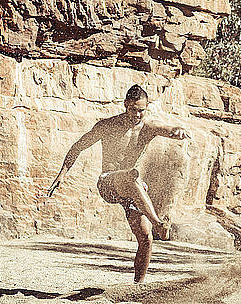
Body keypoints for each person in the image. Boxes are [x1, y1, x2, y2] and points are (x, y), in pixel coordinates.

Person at [46, 84, 190, 283]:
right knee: (131, 176)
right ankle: (158, 222)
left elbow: (168, 129)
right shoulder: (108, 125)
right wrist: (61, 174)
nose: (137, 115)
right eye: (133, 109)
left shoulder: (148, 128)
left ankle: (138, 285)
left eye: (141, 110)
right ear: (125, 105)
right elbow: (78, 147)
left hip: (133, 189)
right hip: (109, 184)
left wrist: (178, 131)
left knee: (146, 238)